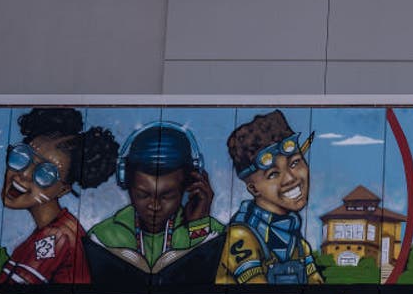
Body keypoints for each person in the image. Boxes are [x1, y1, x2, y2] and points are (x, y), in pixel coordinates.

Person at [0, 108, 118, 284]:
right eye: (22, 157)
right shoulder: (59, 230)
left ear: (63, 190)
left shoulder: (56, 237)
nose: (24, 174)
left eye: (45, 173)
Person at [88, 121, 225, 276]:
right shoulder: (102, 236)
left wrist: (199, 228)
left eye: (167, 196)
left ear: (190, 185)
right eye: (143, 195)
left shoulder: (214, 233)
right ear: (126, 182)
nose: (154, 205)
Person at [216, 110, 322, 284]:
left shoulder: (299, 246)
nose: (290, 178)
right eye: (273, 174)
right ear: (253, 188)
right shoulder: (240, 237)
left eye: (295, 163)